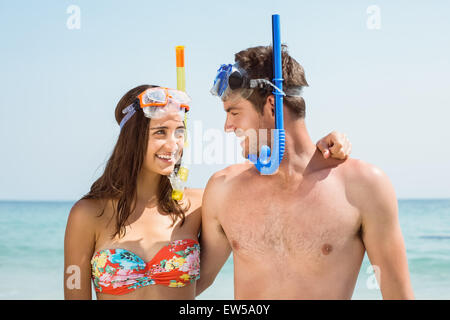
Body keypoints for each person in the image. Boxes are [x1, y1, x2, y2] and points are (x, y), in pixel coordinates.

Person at [64, 84, 351, 300]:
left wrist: (320, 148)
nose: (173, 144)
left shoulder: (199, 204)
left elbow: (279, 188)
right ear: (132, 140)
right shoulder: (88, 214)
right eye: (160, 132)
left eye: (179, 132)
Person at [197, 45, 414, 299]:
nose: (227, 127)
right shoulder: (223, 189)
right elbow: (192, 285)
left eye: (234, 112)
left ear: (272, 107)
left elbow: (398, 295)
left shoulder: (363, 185)